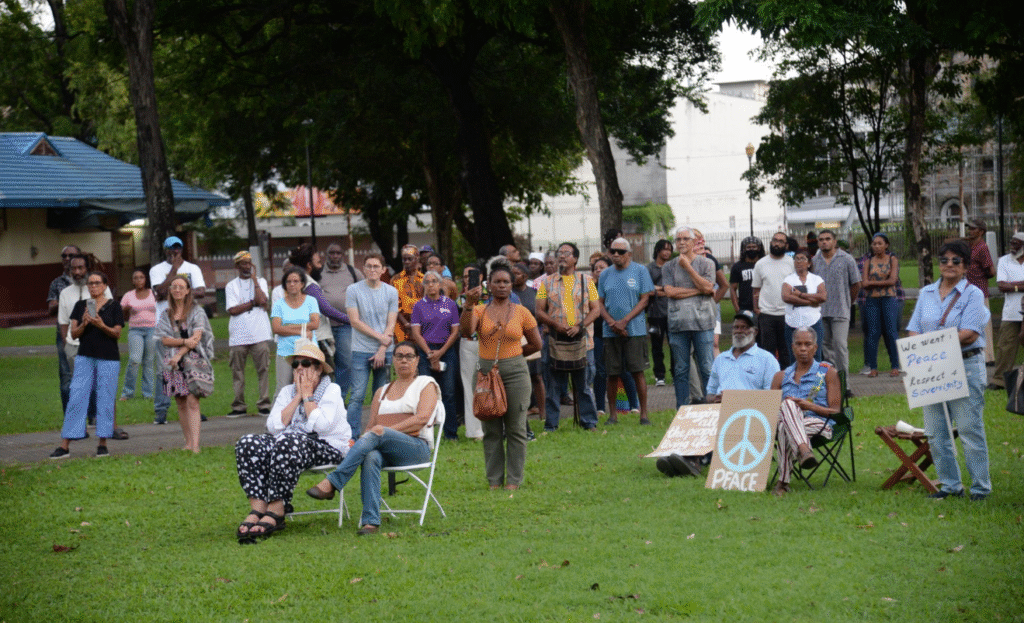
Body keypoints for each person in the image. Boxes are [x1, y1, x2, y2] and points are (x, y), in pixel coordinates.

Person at [306, 341, 444, 534]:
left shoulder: (425, 384)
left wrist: (386, 431)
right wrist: (365, 440)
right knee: (371, 456)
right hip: (385, 450)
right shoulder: (382, 391)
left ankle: (334, 481)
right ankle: (371, 521)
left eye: (409, 356)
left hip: (415, 447)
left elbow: (421, 419)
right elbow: (370, 428)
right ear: (393, 360)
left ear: (417, 360)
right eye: (399, 356)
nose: (404, 360)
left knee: (379, 432)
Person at [234, 343, 352, 542]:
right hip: (289, 444)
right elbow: (273, 427)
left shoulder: (331, 389)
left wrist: (308, 396)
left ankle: (277, 509)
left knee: (288, 440)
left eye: (306, 363)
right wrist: (298, 395)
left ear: (319, 368)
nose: (299, 368)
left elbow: (321, 426)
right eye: (296, 364)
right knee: (247, 442)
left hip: (327, 445)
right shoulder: (288, 391)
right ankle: (258, 508)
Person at [906, 239, 991, 501]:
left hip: (965, 364)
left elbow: (969, 333)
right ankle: (950, 485)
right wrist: (921, 348)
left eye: (956, 260)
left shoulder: (974, 294)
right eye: (944, 260)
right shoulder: (926, 294)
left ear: (965, 266)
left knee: (969, 429)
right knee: (935, 430)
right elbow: (913, 329)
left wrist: (933, 341)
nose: (950, 265)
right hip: (930, 368)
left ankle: (980, 488)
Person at [657, 311, 779, 477]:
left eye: (744, 327)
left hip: (750, 414)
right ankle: (679, 456)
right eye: (736, 327)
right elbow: (710, 392)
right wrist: (715, 399)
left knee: (707, 412)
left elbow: (771, 399)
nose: (739, 331)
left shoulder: (766, 359)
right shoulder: (722, 359)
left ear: (755, 331)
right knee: (696, 406)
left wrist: (734, 400)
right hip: (720, 409)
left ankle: (691, 460)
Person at [460, 265, 542, 489]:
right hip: (486, 371)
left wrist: (513, 356)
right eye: (497, 282)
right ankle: (494, 480)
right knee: (491, 428)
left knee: (516, 428)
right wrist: (468, 304)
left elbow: (537, 343)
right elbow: (466, 332)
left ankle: (513, 481)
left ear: (511, 284)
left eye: (506, 282)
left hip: (515, 371)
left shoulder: (521, 311)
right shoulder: (479, 310)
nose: (502, 286)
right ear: (489, 284)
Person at [49, 271, 124, 459]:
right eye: (90, 283)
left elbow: (117, 333)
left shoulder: (114, 306)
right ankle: (65, 445)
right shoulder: (81, 305)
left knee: (105, 398)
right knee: (76, 397)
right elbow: (73, 334)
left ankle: (103, 443)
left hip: (108, 357)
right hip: (85, 356)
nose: (93, 286)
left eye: (97, 283)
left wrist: (100, 325)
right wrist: (84, 323)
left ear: (105, 286)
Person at [536, 243, 601, 431]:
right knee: (554, 386)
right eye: (559, 253)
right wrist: (556, 325)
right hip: (555, 340)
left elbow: (596, 309)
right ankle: (551, 425)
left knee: (583, 386)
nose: (561, 256)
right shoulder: (546, 283)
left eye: (566, 253)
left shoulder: (588, 281)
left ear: (575, 259)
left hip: (582, 341)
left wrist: (579, 326)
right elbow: (539, 311)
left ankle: (589, 422)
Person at [769, 327, 841, 497]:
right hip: (788, 423)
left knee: (784, 424)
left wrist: (809, 406)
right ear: (792, 347)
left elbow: (835, 411)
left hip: (819, 423)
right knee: (787, 409)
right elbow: (771, 410)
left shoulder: (825, 372)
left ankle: (783, 482)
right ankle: (804, 451)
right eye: (799, 344)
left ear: (815, 348)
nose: (803, 348)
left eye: (808, 344)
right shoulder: (781, 376)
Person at [150, 236, 206, 425]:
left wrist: (173, 290)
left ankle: (194, 408)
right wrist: (174, 271)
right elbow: (159, 292)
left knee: (192, 366)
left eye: (178, 249)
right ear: (165, 250)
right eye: (171, 249)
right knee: (164, 369)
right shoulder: (156, 270)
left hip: (189, 324)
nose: (174, 252)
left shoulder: (193, 268)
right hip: (166, 324)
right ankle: (161, 411)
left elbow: (201, 291)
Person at [598, 237, 655, 425]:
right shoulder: (605, 274)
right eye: (612, 251)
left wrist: (625, 321)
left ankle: (644, 414)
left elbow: (645, 299)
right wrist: (612, 323)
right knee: (612, 373)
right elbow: (599, 302)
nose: (616, 254)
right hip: (610, 331)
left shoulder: (640, 271)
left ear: (629, 254)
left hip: (635, 330)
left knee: (637, 371)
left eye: (620, 252)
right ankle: (613, 415)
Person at [157, 275, 214, 453]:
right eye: (174, 287)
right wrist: (183, 343)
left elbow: (196, 339)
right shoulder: (166, 313)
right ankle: (188, 443)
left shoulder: (197, 311)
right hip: (172, 362)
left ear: (188, 290)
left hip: (194, 360)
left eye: (181, 287)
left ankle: (196, 445)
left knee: (192, 401)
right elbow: (164, 340)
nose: (177, 290)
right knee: (180, 401)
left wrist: (179, 353)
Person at [663, 226, 716, 409]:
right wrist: (698, 290)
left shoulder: (706, 264)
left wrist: (688, 268)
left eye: (686, 239)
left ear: (694, 242)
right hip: (678, 324)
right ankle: (682, 409)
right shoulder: (669, 266)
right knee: (680, 369)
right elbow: (670, 292)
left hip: (703, 323)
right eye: (678, 239)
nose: (682, 242)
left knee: (707, 367)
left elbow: (709, 288)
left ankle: (711, 407)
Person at [346, 253, 399, 436]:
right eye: (368, 266)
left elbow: (391, 323)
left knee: (382, 396)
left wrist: (383, 349)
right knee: (357, 396)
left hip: (385, 350)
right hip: (360, 349)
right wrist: (380, 338)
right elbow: (355, 321)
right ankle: (351, 436)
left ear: (383, 270)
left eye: (376, 266)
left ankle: (378, 433)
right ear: (363, 269)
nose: (372, 270)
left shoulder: (391, 292)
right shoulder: (353, 290)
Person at [410, 270, 460, 440]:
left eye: (434, 281)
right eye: (427, 282)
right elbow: (416, 333)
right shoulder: (418, 306)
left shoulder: (450, 304)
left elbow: (455, 331)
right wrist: (430, 353)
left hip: (446, 350)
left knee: (449, 393)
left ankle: (451, 433)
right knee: (426, 393)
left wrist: (441, 352)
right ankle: (425, 433)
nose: (430, 284)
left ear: (440, 284)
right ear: (423, 285)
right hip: (426, 351)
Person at [590, 255, 641, 419]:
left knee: (624, 370)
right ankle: (600, 407)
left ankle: (634, 405)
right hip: (598, 335)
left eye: (602, 267)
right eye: (596, 268)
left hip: (617, 332)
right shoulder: (590, 288)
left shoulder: (616, 285)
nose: (599, 270)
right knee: (600, 372)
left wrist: (617, 325)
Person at [225, 251, 273, 417]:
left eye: (249, 263)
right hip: (238, 336)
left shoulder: (260, 281)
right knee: (237, 372)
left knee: (263, 370)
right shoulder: (231, 286)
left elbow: (263, 302)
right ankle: (238, 405)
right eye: (243, 263)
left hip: (259, 334)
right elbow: (233, 310)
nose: (246, 266)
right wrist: (252, 303)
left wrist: (255, 282)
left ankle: (264, 404)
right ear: (237, 266)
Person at [811, 230, 861, 379]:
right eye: (821, 239)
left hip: (841, 310)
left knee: (840, 346)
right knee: (824, 349)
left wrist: (848, 302)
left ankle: (845, 384)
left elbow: (856, 284)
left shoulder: (846, 259)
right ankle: (829, 382)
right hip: (820, 311)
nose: (824, 242)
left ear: (834, 241)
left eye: (827, 239)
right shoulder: (814, 261)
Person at [319, 241, 364, 397]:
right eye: (332, 253)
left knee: (346, 363)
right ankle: (324, 398)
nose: (335, 256)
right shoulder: (318, 273)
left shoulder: (353, 272)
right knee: (324, 364)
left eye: (338, 253)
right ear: (326, 255)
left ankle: (340, 397)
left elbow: (363, 294)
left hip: (346, 326)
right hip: (323, 326)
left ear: (343, 255)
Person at [271, 266, 320, 393]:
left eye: (295, 281)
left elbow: (315, 324)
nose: (292, 284)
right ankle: (278, 413)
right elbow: (276, 328)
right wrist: (301, 330)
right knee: (282, 388)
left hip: (307, 351)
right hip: (285, 350)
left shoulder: (311, 301)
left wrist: (286, 327)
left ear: (302, 284)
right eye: (288, 281)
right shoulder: (279, 304)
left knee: (307, 385)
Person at [860, 234, 901, 377]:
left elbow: (893, 280)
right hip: (872, 300)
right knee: (872, 333)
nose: (876, 246)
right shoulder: (868, 261)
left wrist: (872, 283)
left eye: (879, 243)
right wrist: (880, 283)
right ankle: (873, 367)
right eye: (874, 244)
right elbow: (863, 283)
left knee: (891, 331)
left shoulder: (892, 259)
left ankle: (895, 365)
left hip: (889, 298)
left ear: (886, 245)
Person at [752, 232, 795, 367]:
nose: (777, 243)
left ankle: (786, 382)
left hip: (786, 313)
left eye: (781, 241)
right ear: (771, 242)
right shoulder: (760, 264)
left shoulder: (791, 263)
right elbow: (756, 289)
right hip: (767, 315)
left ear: (786, 245)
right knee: (767, 352)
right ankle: (770, 383)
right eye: (775, 240)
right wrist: (756, 309)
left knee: (786, 351)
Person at [49, 244, 81, 412]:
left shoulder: (90, 281)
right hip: (64, 333)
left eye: (71, 255)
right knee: (67, 375)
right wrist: (67, 297)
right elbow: (51, 308)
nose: (67, 259)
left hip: (86, 332)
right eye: (64, 256)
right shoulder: (57, 283)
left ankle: (91, 415)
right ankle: (70, 416)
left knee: (89, 374)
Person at [992, 232, 1024, 389]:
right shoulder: (1004, 261)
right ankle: (999, 381)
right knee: (1005, 346)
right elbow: (1002, 286)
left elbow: (1008, 285)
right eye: (1011, 242)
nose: (1012, 246)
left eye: (1016, 243)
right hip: (1011, 312)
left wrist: (1013, 285)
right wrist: (1021, 285)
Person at [119, 268, 157, 401]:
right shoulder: (128, 295)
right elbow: (120, 311)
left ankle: (148, 393)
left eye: (141, 277)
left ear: (145, 279)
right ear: (132, 281)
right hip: (135, 330)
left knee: (148, 361)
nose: (139, 280)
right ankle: (127, 392)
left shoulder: (153, 293)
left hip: (152, 329)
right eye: (136, 277)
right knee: (135, 360)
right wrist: (126, 309)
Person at [781, 249, 825, 359]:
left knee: (816, 355)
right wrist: (810, 302)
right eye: (796, 259)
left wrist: (800, 294)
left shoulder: (816, 279)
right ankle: (796, 377)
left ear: (809, 263)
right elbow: (786, 297)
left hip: (813, 322)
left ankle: (816, 377)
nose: (799, 262)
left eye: (802, 259)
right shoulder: (789, 279)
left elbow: (822, 297)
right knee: (794, 356)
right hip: (792, 322)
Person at [964, 218, 997, 364]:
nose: (970, 231)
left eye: (973, 228)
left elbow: (991, 271)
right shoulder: (971, 246)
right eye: (969, 228)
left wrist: (980, 277)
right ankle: (978, 353)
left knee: (984, 324)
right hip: (969, 291)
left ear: (981, 231)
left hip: (980, 290)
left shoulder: (982, 247)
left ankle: (988, 357)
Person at [647, 239, 674, 387]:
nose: (667, 252)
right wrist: (665, 290)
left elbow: (676, 289)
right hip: (655, 314)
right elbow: (647, 289)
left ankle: (676, 374)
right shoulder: (649, 269)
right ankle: (659, 376)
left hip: (672, 312)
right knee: (657, 346)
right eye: (665, 249)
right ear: (658, 250)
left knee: (675, 345)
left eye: (670, 249)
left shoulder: (672, 267)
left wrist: (659, 290)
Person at [393, 244, 424, 344]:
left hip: (422, 324)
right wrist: (406, 323)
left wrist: (416, 323)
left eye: (410, 259)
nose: (406, 262)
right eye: (404, 259)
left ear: (417, 258)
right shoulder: (395, 279)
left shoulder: (425, 279)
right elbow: (393, 305)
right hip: (401, 324)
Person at [730, 236, 762, 314]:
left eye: (754, 247)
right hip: (745, 308)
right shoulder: (737, 266)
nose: (751, 249)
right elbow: (732, 289)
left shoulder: (764, 264)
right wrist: (737, 309)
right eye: (748, 247)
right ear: (744, 249)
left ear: (759, 248)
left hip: (764, 306)